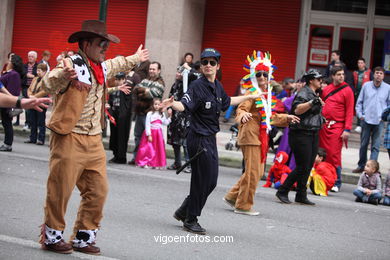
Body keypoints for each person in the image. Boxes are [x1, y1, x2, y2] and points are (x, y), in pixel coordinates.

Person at [39, 20, 149, 255]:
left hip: (94, 139)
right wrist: (63, 76)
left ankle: (83, 237)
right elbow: (47, 83)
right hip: (70, 135)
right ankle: (52, 236)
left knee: (98, 190)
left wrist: (136, 57)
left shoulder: (102, 67)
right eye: (101, 44)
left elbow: (118, 62)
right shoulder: (70, 64)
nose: (104, 48)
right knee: (60, 189)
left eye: (106, 45)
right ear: (86, 44)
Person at [161, 48, 263, 234]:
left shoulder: (217, 86)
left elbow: (227, 101)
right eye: (205, 62)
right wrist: (172, 104)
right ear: (200, 66)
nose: (208, 66)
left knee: (211, 181)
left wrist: (248, 96)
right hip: (198, 138)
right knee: (201, 180)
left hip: (210, 138)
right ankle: (190, 218)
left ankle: (184, 210)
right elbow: (184, 104)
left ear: (218, 66)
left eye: (212, 62)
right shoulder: (196, 86)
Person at [223, 51, 300, 215]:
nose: (263, 78)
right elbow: (241, 109)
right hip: (250, 136)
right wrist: (242, 115)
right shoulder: (252, 93)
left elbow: (270, 117)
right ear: (253, 76)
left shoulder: (266, 95)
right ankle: (243, 206)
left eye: (265, 74)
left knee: (254, 172)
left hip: (260, 136)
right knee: (253, 173)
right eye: (259, 74)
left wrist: (287, 118)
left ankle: (232, 196)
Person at [276, 69, 325, 205]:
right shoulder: (304, 92)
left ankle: (301, 194)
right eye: (319, 79)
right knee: (302, 166)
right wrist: (311, 103)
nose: (321, 81)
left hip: (312, 132)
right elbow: (297, 109)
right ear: (311, 80)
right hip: (301, 134)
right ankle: (282, 190)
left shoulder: (313, 93)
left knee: (309, 165)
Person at [319, 66, 354, 192]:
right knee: (323, 153)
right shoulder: (326, 89)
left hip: (338, 126)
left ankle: (336, 181)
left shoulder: (348, 90)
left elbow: (350, 111)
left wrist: (347, 129)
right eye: (338, 74)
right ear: (333, 76)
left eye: (342, 74)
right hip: (324, 126)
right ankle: (324, 178)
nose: (341, 76)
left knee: (334, 154)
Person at [353, 67, 390, 174]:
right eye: (377, 73)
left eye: (381, 73)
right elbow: (359, 102)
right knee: (363, 144)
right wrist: (360, 115)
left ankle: (372, 169)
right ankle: (361, 166)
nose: (378, 75)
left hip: (379, 122)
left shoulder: (388, 88)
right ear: (373, 74)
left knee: (376, 146)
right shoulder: (366, 86)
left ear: (384, 76)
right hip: (366, 120)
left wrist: (384, 117)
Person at [129, 61, 165, 164]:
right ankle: (136, 158)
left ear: (158, 70)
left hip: (151, 115)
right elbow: (135, 89)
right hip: (140, 112)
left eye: (154, 69)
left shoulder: (160, 82)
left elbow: (153, 94)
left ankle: (147, 159)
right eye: (150, 69)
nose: (151, 71)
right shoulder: (145, 79)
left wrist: (144, 91)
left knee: (148, 137)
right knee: (137, 136)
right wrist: (145, 91)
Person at [135, 98, 171, 168]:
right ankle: (145, 162)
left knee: (157, 148)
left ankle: (155, 163)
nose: (157, 106)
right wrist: (149, 134)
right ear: (152, 105)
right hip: (151, 133)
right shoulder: (150, 114)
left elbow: (165, 123)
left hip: (158, 134)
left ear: (160, 105)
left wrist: (169, 116)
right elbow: (147, 124)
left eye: (158, 104)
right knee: (148, 148)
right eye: (155, 104)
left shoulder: (162, 114)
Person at [0, 54, 24, 152]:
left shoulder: (14, 74)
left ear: (13, 63)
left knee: (7, 123)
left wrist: (11, 103)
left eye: (10, 60)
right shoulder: (8, 73)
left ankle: (8, 144)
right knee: (5, 123)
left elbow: (13, 91)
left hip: (7, 103)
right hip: (3, 101)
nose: (8, 62)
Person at [24, 63, 49, 145]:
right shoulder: (35, 78)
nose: (38, 72)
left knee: (41, 122)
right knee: (32, 121)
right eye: (37, 70)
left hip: (41, 102)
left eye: (40, 71)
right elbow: (29, 88)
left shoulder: (47, 79)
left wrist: (33, 96)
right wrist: (30, 95)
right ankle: (32, 138)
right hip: (32, 101)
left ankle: (41, 139)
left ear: (45, 71)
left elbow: (44, 91)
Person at [353, 57, 372, 133]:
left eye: (361, 63)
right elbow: (352, 83)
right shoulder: (355, 72)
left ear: (364, 64)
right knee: (358, 108)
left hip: (366, 93)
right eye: (358, 63)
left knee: (366, 108)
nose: (360, 64)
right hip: (357, 93)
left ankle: (365, 124)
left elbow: (372, 82)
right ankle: (359, 124)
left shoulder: (369, 72)